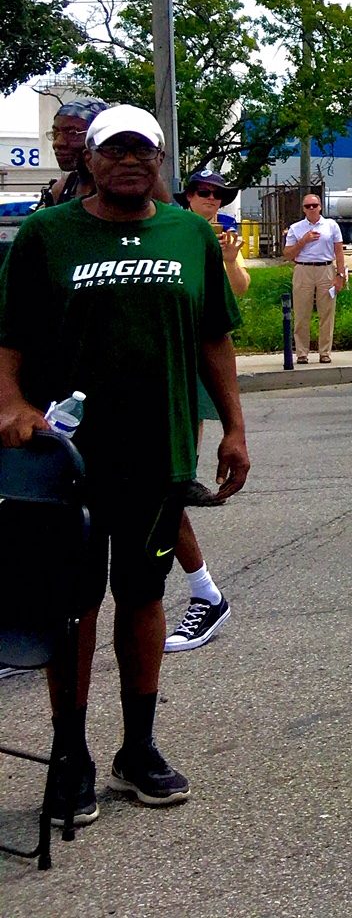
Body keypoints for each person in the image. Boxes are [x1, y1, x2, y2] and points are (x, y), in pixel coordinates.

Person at [0, 104, 249, 821]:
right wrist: (13, 406)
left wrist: (234, 428)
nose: (130, 161)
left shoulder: (190, 235)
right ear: (91, 160)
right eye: (116, 151)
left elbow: (214, 342)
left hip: (161, 452)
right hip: (68, 465)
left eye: (144, 150)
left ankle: (136, 747)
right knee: (73, 610)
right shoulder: (49, 235)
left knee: (143, 599)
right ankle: (70, 755)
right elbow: (7, 339)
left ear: (161, 160)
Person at [163, 169, 249, 653]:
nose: (211, 200)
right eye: (203, 192)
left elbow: (234, 295)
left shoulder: (214, 239)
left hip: (192, 365)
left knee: (168, 482)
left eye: (218, 195)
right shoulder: (167, 227)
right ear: (187, 195)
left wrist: (230, 259)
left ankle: (205, 595)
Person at [282, 192, 343, 363]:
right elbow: (287, 254)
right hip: (303, 269)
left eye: (314, 205)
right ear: (303, 209)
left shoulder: (331, 225)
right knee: (302, 313)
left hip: (326, 268)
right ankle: (302, 353)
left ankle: (325, 352)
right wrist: (303, 241)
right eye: (308, 206)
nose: (311, 209)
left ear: (320, 207)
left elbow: (339, 251)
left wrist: (340, 275)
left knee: (327, 313)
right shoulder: (296, 228)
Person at [36, 98, 108, 209]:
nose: (57, 143)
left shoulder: (120, 189)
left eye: (72, 133)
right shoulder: (61, 189)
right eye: (55, 134)